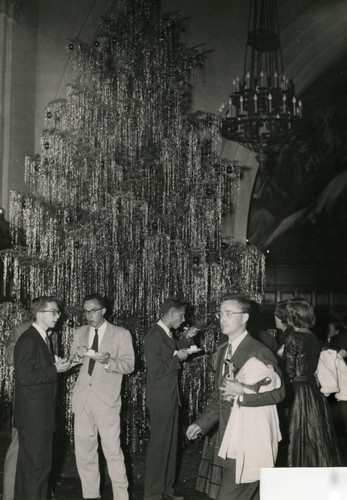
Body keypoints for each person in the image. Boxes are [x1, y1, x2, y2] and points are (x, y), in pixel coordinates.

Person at [186, 294, 285, 500]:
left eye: (229, 314)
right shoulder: (223, 351)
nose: (223, 319)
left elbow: (279, 393)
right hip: (228, 437)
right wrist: (202, 423)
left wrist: (243, 393)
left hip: (249, 437)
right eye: (221, 314)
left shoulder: (259, 351)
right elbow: (221, 395)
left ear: (245, 318)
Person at [69, 293, 135, 500]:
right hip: (82, 400)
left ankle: (121, 497)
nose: (89, 315)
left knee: (113, 453)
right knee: (84, 453)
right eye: (86, 311)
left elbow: (129, 366)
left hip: (107, 402)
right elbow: (72, 360)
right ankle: (90, 495)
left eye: (93, 310)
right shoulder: (79, 332)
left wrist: (107, 361)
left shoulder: (121, 334)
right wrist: (77, 356)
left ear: (103, 311)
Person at [13, 296, 71, 500]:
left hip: (38, 415)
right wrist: (54, 369)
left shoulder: (41, 338)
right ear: (39, 314)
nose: (58, 315)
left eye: (58, 312)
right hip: (34, 416)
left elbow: (37, 370)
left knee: (33, 469)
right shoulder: (30, 339)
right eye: (53, 312)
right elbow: (23, 377)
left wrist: (57, 366)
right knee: (36, 470)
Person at [144, 297, 197, 500]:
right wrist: (178, 359)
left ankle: (166, 490)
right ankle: (153, 495)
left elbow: (171, 354)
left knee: (171, 445)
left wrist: (186, 339)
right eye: (181, 316)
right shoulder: (154, 336)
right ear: (172, 314)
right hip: (160, 400)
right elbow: (156, 371)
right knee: (159, 447)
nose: (183, 320)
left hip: (171, 398)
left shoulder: (165, 334)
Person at [282, 297, 342, 466]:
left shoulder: (294, 337)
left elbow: (289, 370)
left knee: (296, 433)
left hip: (296, 390)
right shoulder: (313, 337)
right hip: (312, 389)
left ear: (293, 317)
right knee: (315, 435)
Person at [2, 319, 32, 500]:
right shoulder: (21, 330)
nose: (56, 316)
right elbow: (10, 358)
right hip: (26, 397)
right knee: (18, 444)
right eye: (52, 311)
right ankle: (9, 493)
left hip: (45, 398)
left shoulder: (53, 333)